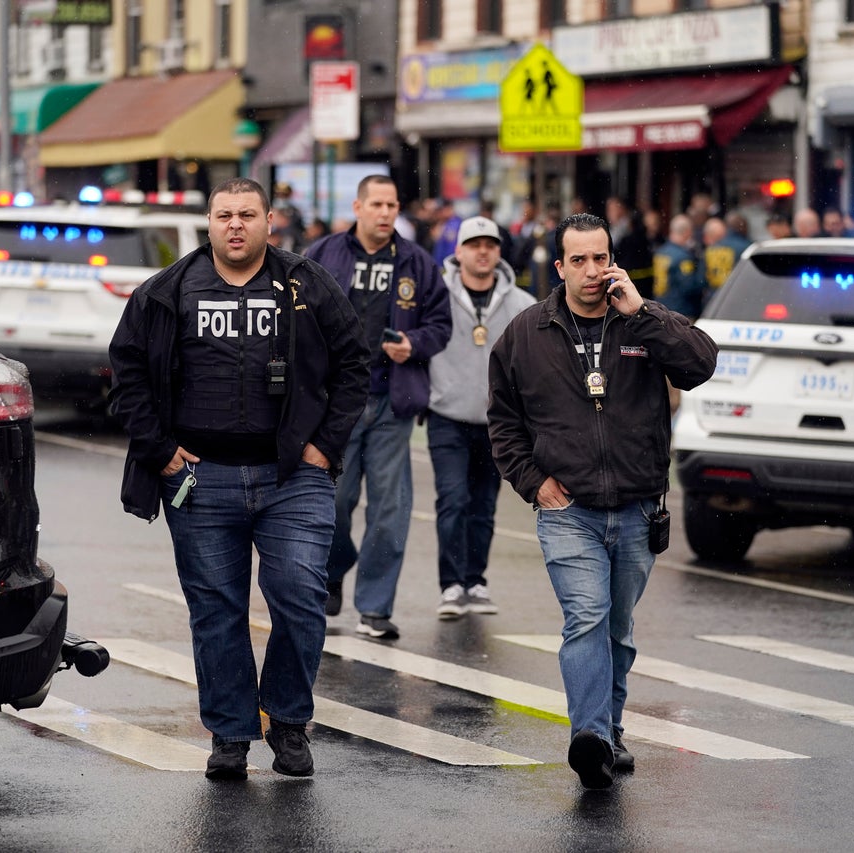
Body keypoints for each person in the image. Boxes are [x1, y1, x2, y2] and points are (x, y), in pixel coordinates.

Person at [108, 178, 370, 781]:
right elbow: (127, 376)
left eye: (246, 215)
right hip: (201, 481)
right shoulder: (168, 291)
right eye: (224, 215)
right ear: (208, 222)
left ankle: (287, 720)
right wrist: (162, 451)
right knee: (217, 611)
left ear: (268, 221)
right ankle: (229, 734)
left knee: (303, 599)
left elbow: (355, 363)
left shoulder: (305, 284)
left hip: (293, 478)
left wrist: (325, 448)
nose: (235, 225)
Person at [487, 212, 718, 789]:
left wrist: (642, 313)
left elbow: (700, 365)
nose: (593, 271)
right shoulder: (525, 333)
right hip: (569, 511)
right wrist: (533, 481)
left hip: (639, 507)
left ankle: (609, 732)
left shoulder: (642, 321)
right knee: (585, 619)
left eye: (601, 258)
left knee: (617, 628)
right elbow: (503, 421)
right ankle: (588, 737)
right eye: (580, 261)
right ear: (559, 266)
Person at [306, 174, 452, 640]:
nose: (387, 213)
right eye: (378, 204)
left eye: (393, 205)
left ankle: (375, 607)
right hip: (337, 403)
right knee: (334, 501)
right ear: (359, 207)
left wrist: (415, 343)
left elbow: (441, 324)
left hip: (394, 399)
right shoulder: (324, 254)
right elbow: (297, 316)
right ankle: (330, 575)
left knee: (391, 508)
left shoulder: (417, 262)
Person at [428, 216, 536, 620]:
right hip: (447, 415)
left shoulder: (520, 303)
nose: (483, 251)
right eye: (475, 244)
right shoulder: (435, 295)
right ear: (459, 252)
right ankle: (451, 584)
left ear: (499, 251)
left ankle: (476, 580)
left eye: (490, 244)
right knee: (452, 500)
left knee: (483, 506)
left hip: (498, 423)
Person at [654, 214, 706, 319]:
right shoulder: (683, 257)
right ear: (687, 232)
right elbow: (689, 287)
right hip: (679, 312)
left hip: (660, 308)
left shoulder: (660, 252)